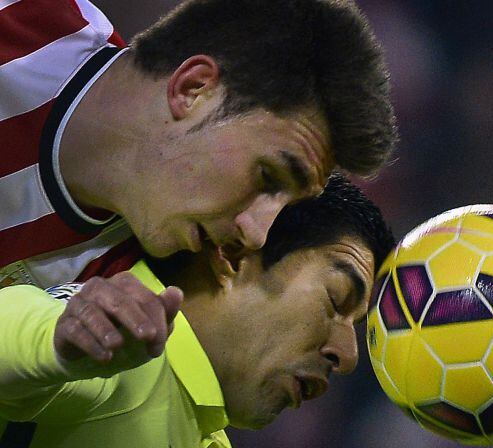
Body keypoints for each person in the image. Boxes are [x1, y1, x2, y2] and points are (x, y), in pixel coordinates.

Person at [0, 0, 396, 289]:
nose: (256, 235)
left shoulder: (127, 292)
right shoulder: (17, 21)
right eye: (266, 176)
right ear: (193, 89)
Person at [0, 174, 395, 447]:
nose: (348, 355)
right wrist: (59, 339)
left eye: (356, 325)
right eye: (336, 298)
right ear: (234, 252)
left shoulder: (201, 427)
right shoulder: (124, 359)